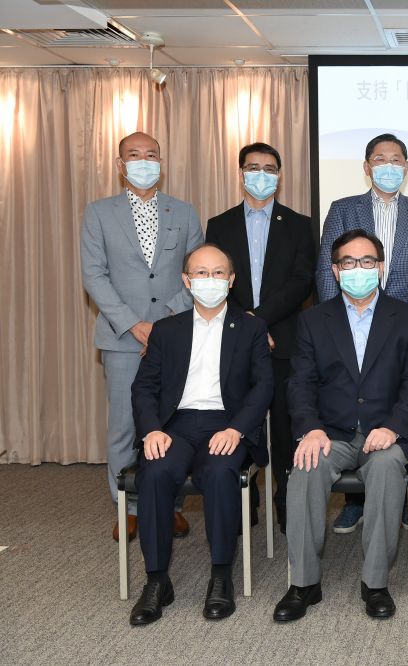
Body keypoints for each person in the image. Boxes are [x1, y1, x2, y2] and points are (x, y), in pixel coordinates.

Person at [274, 229, 408, 622]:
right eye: (348, 262)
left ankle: (375, 583)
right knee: (305, 468)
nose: (357, 269)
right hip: (331, 431)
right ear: (334, 269)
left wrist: (394, 428)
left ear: (380, 268)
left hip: (386, 431)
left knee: (385, 467)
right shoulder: (313, 320)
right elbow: (300, 382)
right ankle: (304, 583)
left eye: (366, 262)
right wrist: (310, 428)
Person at [128, 244, 273, 625]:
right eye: (201, 273)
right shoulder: (166, 330)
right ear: (186, 280)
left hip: (226, 424)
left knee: (221, 472)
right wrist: (151, 431)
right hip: (174, 427)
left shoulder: (252, 328)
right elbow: (144, 388)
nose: (210, 280)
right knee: (155, 473)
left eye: (218, 273)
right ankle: (157, 580)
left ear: (231, 280)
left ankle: (221, 575)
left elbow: (263, 387)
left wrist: (238, 429)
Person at [317, 133, 408, 534]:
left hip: (404, 330)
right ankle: (356, 501)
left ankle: (407, 501)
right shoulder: (343, 208)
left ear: (406, 167)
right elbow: (326, 268)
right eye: (379, 158)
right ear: (367, 166)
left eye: (396, 159)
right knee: (353, 410)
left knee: (404, 410)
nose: (388, 165)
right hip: (350, 323)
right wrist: (331, 324)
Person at [81, 131, 204, 541]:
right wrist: (135, 323)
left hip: (173, 336)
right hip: (121, 338)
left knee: (170, 422)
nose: (144, 161)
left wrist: (166, 320)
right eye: (134, 155)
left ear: (162, 162)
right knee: (124, 426)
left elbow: (197, 272)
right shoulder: (98, 213)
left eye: (151, 154)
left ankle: (167, 505)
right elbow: (94, 276)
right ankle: (128, 509)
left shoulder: (184, 212)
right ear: (120, 165)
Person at [206, 141, 314, 533]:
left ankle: (287, 502)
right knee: (241, 421)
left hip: (284, 338)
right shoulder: (219, 225)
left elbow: (303, 281)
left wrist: (261, 320)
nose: (262, 175)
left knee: (286, 430)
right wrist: (249, 326)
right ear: (241, 173)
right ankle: (243, 504)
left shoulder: (300, 224)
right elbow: (216, 280)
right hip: (235, 339)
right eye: (254, 167)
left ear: (280, 176)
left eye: (270, 168)